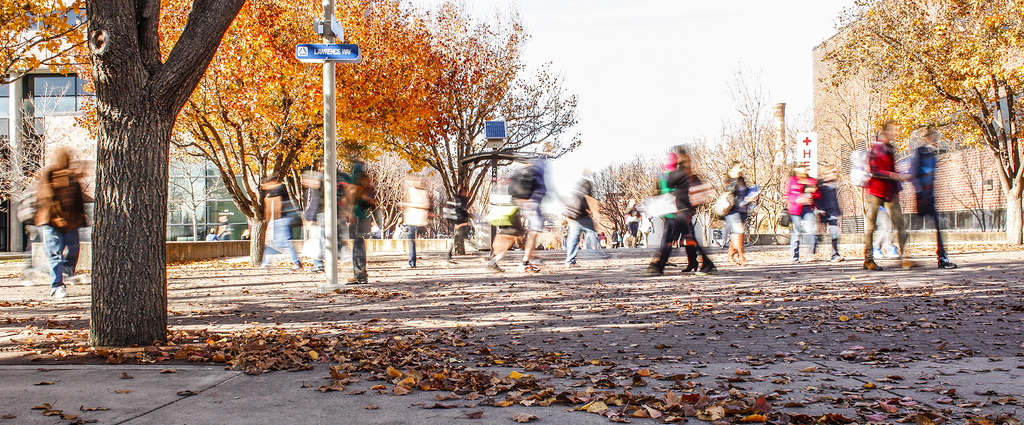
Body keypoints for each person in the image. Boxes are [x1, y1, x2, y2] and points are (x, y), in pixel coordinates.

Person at [648, 146, 716, 276]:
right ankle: (705, 264)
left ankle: (659, 266)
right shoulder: (688, 174)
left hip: (682, 210)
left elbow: (669, 184)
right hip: (684, 210)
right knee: (687, 238)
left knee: (670, 238)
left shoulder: (680, 173)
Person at [35, 147, 88, 298]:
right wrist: (54, 215)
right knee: (55, 254)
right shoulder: (49, 175)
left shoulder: (72, 178)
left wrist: (81, 219)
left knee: (73, 250)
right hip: (52, 223)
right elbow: (45, 197)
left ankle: (65, 271)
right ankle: (57, 286)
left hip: (70, 223)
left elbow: (78, 200)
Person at [863, 120, 910, 271]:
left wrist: (897, 179)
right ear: (885, 131)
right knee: (871, 226)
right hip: (876, 191)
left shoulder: (890, 148)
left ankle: (905, 258)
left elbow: (891, 169)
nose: (895, 133)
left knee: (900, 222)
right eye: (893, 130)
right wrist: (892, 175)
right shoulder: (877, 147)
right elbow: (874, 169)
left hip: (890, 191)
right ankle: (868, 260)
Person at [909, 129, 957, 269]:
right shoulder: (920, 153)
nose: (934, 139)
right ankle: (905, 256)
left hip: (929, 196)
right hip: (922, 196)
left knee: (937, 226)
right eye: (931, 137)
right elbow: (913, 174)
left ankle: (942, 257)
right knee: (916, 227)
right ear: (926, 138)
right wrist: (920, 192)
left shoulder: (931, 154)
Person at [511, 157, 548, 273]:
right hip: (532, 203)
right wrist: (534, 200)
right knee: (534, 232)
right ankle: (525, 263)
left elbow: (511, 189)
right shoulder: (537, 171)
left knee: (532, 231)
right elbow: (541, 189)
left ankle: (532, 258)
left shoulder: (520, 172)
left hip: (521, 202)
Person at [341, 162, 375, 284]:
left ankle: (359, 275)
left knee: (357, 246)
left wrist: (349, 213)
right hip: (364, 216)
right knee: (359, 245)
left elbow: (352, 195)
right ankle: (360, 274)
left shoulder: (356, 180)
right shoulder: (366, 180)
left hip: (357, 216)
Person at [564, 170, 606, 266]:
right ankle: (599, 253)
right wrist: (595, 213)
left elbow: (571, 201)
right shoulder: (587, 184)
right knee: (592, 232)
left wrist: (568, 216)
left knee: (573, 238)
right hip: (583, 215)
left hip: (574, 214)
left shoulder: (577, 185)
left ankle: (569, 260)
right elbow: (589, 198)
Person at [261, 175, 302, 271]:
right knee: (275, 242)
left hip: (283, 219)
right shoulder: (273, 190)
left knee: (285, 242)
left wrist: (270, 220)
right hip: (282, 219)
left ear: (272, 182)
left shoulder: (279, 188)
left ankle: (296, 263)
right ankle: (266, 262)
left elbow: (276, 206)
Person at [786, 164, 819, 263]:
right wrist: (797, 199)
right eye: (799, 171)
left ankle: (811, 254)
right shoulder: (791, 180)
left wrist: (814, 193)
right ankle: (795, 256)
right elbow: (787, 195)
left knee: (811, 230)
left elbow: (817, 195)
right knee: (797, 232)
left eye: (803, 171)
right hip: (796, 209)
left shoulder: (811, 181)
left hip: (808, 208)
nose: (802, 173)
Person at [723, 161, 754, 265]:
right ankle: (741, 256)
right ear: (732, 170)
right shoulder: (732, 181)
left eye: (742, 167)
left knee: (737, 233)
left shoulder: (742, 180)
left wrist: (751, 194)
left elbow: (744, 194)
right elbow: (729, 192)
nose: (741, 169)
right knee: (739, 230)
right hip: (732, 210)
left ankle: (730, 254)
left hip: (743, 210)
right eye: (739, 167)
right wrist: (734, 178)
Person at [815, 165, 845, 262]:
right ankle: (813, 252)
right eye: (833, 172)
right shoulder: (821, 186)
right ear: (827, 173)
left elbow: (835, 200)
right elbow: (818, 198)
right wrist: (820, 209)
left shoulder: (833, 185)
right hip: (825, 213)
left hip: (833, 213)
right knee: (818, 235)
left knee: (834, 234)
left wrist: (838, 211)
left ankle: (835, 255)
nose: (835, 174)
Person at [402, 178, 430, 268]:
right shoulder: (422, 192)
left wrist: (407, 205)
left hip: (414, 218)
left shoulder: (414, 192)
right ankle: (411, 261)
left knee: (411, 240)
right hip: (417, 218)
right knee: (411, 240)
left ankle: (411, 262)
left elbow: (424, 205)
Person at [446, 185, 471, 262]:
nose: (467, 193)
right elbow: (461, 211)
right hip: (460, 220)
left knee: (460, 236)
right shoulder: (460, 200)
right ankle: (448, 254)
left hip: (459, 220)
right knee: (463, 236)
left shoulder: (461, 199)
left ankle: (448, 254)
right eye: (465, 192)